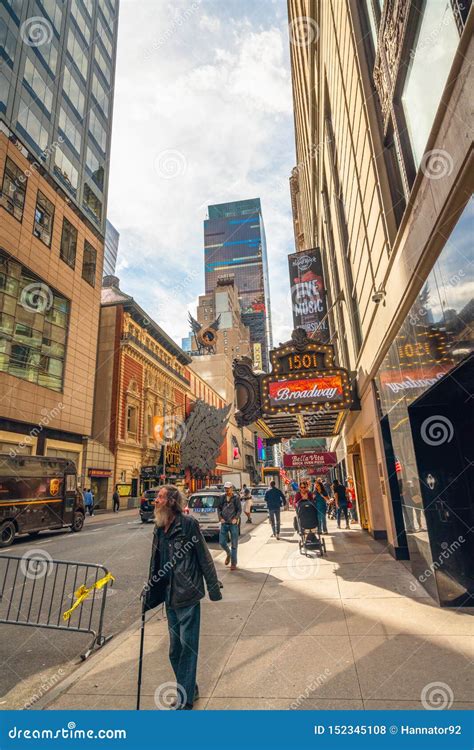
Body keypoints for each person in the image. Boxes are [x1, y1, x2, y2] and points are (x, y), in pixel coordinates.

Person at [143, 485, 221, 710]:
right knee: (175, 650)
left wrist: (213, 588)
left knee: (188, 647)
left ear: (170, 502)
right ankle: (190, 686)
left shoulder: (188, 525)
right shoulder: (158, 527)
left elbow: (204, 557)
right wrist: (150, 592)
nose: (155, 500)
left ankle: (185, 698)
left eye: (159, 497)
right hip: (169, 596)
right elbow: (155, 563)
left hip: (187, 594)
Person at [217, 482, 241, 571]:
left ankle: (233, 563)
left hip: (233, 524)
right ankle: (228, 553)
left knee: (234, 544)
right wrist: (220, 518)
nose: (226, 490)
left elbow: (239, 510)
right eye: (225, 488)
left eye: (228, 488)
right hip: (224, 524)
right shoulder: (222, 497)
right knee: (222, 542)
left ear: (231, 488)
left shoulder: (236, 498)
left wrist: (236, 518)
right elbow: (218, 508)